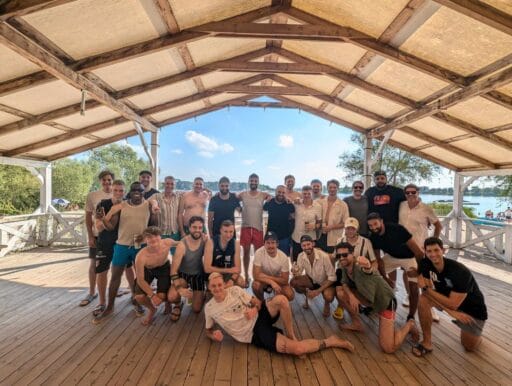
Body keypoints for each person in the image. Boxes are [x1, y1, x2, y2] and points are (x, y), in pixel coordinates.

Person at [205, 272, 355, 355]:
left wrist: (254, 309)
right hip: (254, 333)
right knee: (298, 349)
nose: (217, 288)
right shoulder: (209, 308)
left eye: (220, 285)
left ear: (224, 284)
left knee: (282, 299)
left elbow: (257, 302)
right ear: (209, 287)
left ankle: (291, 335)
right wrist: (213, 335)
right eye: (213, 286)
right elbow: (208, 330)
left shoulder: (235, 290)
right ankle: (331, 341)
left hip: (259, 315)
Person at [92, 182, 159, 324]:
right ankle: (110, 307)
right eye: (134, 190)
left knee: (141, 277)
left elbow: (154, 226)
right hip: (122, 246)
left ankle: (138, 301)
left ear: (143, 192)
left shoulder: (148, 205)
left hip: (140, 248)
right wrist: (103, 218)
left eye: (140, 190)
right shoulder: (122, 206)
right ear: (129, 191)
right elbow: (111, 227)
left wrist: (146, 234)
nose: (137, 192)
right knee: (115, 276)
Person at [334, 242, 419, 353]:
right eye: (338, 256)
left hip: (386, 302)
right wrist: (351, 296)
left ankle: (410, 324)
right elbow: (344, 283)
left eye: (344, 255)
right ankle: (357, 323)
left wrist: (368, 266)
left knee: (388, 348)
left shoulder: (359, 265)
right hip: (371, 300)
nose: (341, 258)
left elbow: (368, 270)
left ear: (352, 254)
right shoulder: (344, 267)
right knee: (341, 292)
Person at [413, 237, 487, 357]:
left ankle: (477, 336)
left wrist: (426, 288)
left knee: (469, 347)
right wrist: (451, 312)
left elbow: (452, 303)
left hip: (471, 308)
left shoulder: (460, 271)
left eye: (436, 250)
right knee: (423, 300)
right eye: (429, 251)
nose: (433, 254)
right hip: (446, 300)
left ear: (443, 250)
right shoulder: (425, 263)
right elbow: (426, 293)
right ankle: (426, 343)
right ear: (425, 252)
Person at [367, 212, 424, 321]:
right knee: (373, 274)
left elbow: (419, 253)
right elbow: (378, 260)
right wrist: (385, 278)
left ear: (381, 221)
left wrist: (419, 272)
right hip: (392, 257)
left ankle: (411, 316)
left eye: (375, 224)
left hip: (409, 258)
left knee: (413, 287)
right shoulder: (373, 237)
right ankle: (378, 304)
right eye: (370, 225)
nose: (373, 228)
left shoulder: (398, 229)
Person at [399, 183, 442, 314]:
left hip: (420, 247)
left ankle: (430, 303)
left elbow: (438, 225)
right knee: (407, 272)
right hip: (403, 246)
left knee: (424, 274)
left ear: (418, 192)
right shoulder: (402, 205)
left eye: (413, 192)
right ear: (405, 194)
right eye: (408, 193)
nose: (411, 195)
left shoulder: (426, 208)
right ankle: (409, 294)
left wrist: (432, 243)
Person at [80, 170, 114, 307]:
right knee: (94, 263)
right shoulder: (92, 196)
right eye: (104, 180)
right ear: (100, 181)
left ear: (113, 181)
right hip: (97, 235)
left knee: (115, 266)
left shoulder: (118, 194)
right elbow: (88, 217)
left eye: (109, 180)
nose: (106, 182)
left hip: (113, 236)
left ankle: (111, 291)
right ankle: (92, 292)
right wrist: (90, 236)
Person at [92, 179, 125, 317]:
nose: (118, 193)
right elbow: (98, 226)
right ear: (111, 189)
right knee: (102, 271)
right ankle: (101, 302)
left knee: (127, 269)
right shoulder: (103, 204)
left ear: (125, 191)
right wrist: (110, 214)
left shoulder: (128, 204)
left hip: (122, 242)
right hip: (104, 241)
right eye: (116, 190)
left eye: (121, 190)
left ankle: (134, 297)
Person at [133, 226, 178, 326]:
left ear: (160, 236)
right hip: (148, 270)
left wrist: (202, 237)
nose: (153, 239)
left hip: (163, 267)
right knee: (139, 297)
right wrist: (152, 296)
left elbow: (182, 243)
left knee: (161, 296)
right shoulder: (141, 256)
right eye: (149, 237)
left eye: (156, 236)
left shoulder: (167, 242)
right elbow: (140, 280)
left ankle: (168, 302)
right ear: (145, 239)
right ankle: (152, 310)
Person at [168, 216, 207, 321]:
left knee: (196, 309)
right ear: (189, 228)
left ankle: (198, 294)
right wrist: (179, 288)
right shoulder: (182, 244)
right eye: (194, 227)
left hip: (198, 275)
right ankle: (178, 304)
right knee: (172, 296)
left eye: (200, 227)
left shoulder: (205, 240)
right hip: (183, 275)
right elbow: (173, 269)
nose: (197, 230)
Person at [290, 235, 336, 316]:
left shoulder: (324, 256)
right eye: (304, 245)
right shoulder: (301, 256)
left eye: (308, 244)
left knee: (328, 296)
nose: (306, 247)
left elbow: (332, 277)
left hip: (325, 282)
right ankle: (308, 296)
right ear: (301, 246)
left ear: (313, 244)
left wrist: (317, 291)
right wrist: (294, 272)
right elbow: (299, 272)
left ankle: (327, 304)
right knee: (294, 282)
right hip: (312, 279)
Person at [238, 173, 271, 281]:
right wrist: (238, 208)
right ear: (248, 182)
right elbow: (231, 198)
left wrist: (272, 197)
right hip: (245, 227)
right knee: (246, 253)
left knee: (258, 255)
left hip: (258, 228)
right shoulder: (243, 194)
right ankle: (247, 275)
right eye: (252, 181)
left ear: (258, 182)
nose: (253, 182)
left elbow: (274, 197)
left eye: (255, 181)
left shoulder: (263, 194)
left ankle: (257, 276)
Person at [252, 232, 294, 301]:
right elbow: (256, 276)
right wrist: (271, 282)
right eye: (268, 243)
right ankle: (262, 302)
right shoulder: (259, 252)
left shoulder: (283, 257)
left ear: (277, 244)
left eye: (273, 242)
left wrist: (268, 278)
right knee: (255, 285)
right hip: (264, 281)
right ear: (264, 244)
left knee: (290, 294)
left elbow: (285, 280)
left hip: (277, 281)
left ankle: (275, 301)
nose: (270, 245)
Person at [204, 220, 245, 287]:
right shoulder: (211, 242)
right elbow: (207, 269)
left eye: (231, 232)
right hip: (214, 274)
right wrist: (229, 270)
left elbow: (238, 269)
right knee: (217, 290)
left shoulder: (236, 244)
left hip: (228, 274)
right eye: (225, 231)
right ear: (220, 231)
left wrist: (232, 280)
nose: (228, 235)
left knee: (241, 282)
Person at [291, 186, 322, 261]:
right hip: (297, 238)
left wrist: (314, 226)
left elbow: (320, 223)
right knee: (296, 260)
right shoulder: (296, 204)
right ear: (301, 194)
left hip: (310, 239)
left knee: (311, 260)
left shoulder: (317, 206)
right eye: (304, 193)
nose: (307, 195)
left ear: (311, 193)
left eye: (309, 193)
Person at [317, 179, 349, 254]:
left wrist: (331, 227)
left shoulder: (343, 205)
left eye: (334, 187)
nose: (332, 189)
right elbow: (308, 202)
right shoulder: (320, 202)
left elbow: (345, 223)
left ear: (338, 188)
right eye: (330, 187)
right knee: (320, 258)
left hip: (334, 237)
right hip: (320, 235)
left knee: (332, 258)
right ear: (327, 188)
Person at [263, 185, 295, 255]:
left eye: (283, 192)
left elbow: (293, 218)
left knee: (283, 257)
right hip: (271, 236)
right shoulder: (269, 202)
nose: (281, 194)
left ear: (286, 193)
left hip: (284, 237)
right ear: (275, 192)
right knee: (270, 258)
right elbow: (263, 209)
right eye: (279, 192)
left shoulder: (289, 204)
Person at [153, 176, 182, 252]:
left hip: (175, 233)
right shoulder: (157, 196)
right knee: (161, 255)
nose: (169, 186)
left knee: (176, 255)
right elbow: (147, 201)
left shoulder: (178, 196)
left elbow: (190, 193)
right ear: (164, 184)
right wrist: (154, 204)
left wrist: (205, 192)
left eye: (172, 184)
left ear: (174, 185)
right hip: (162, 233)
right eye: (167, 183)